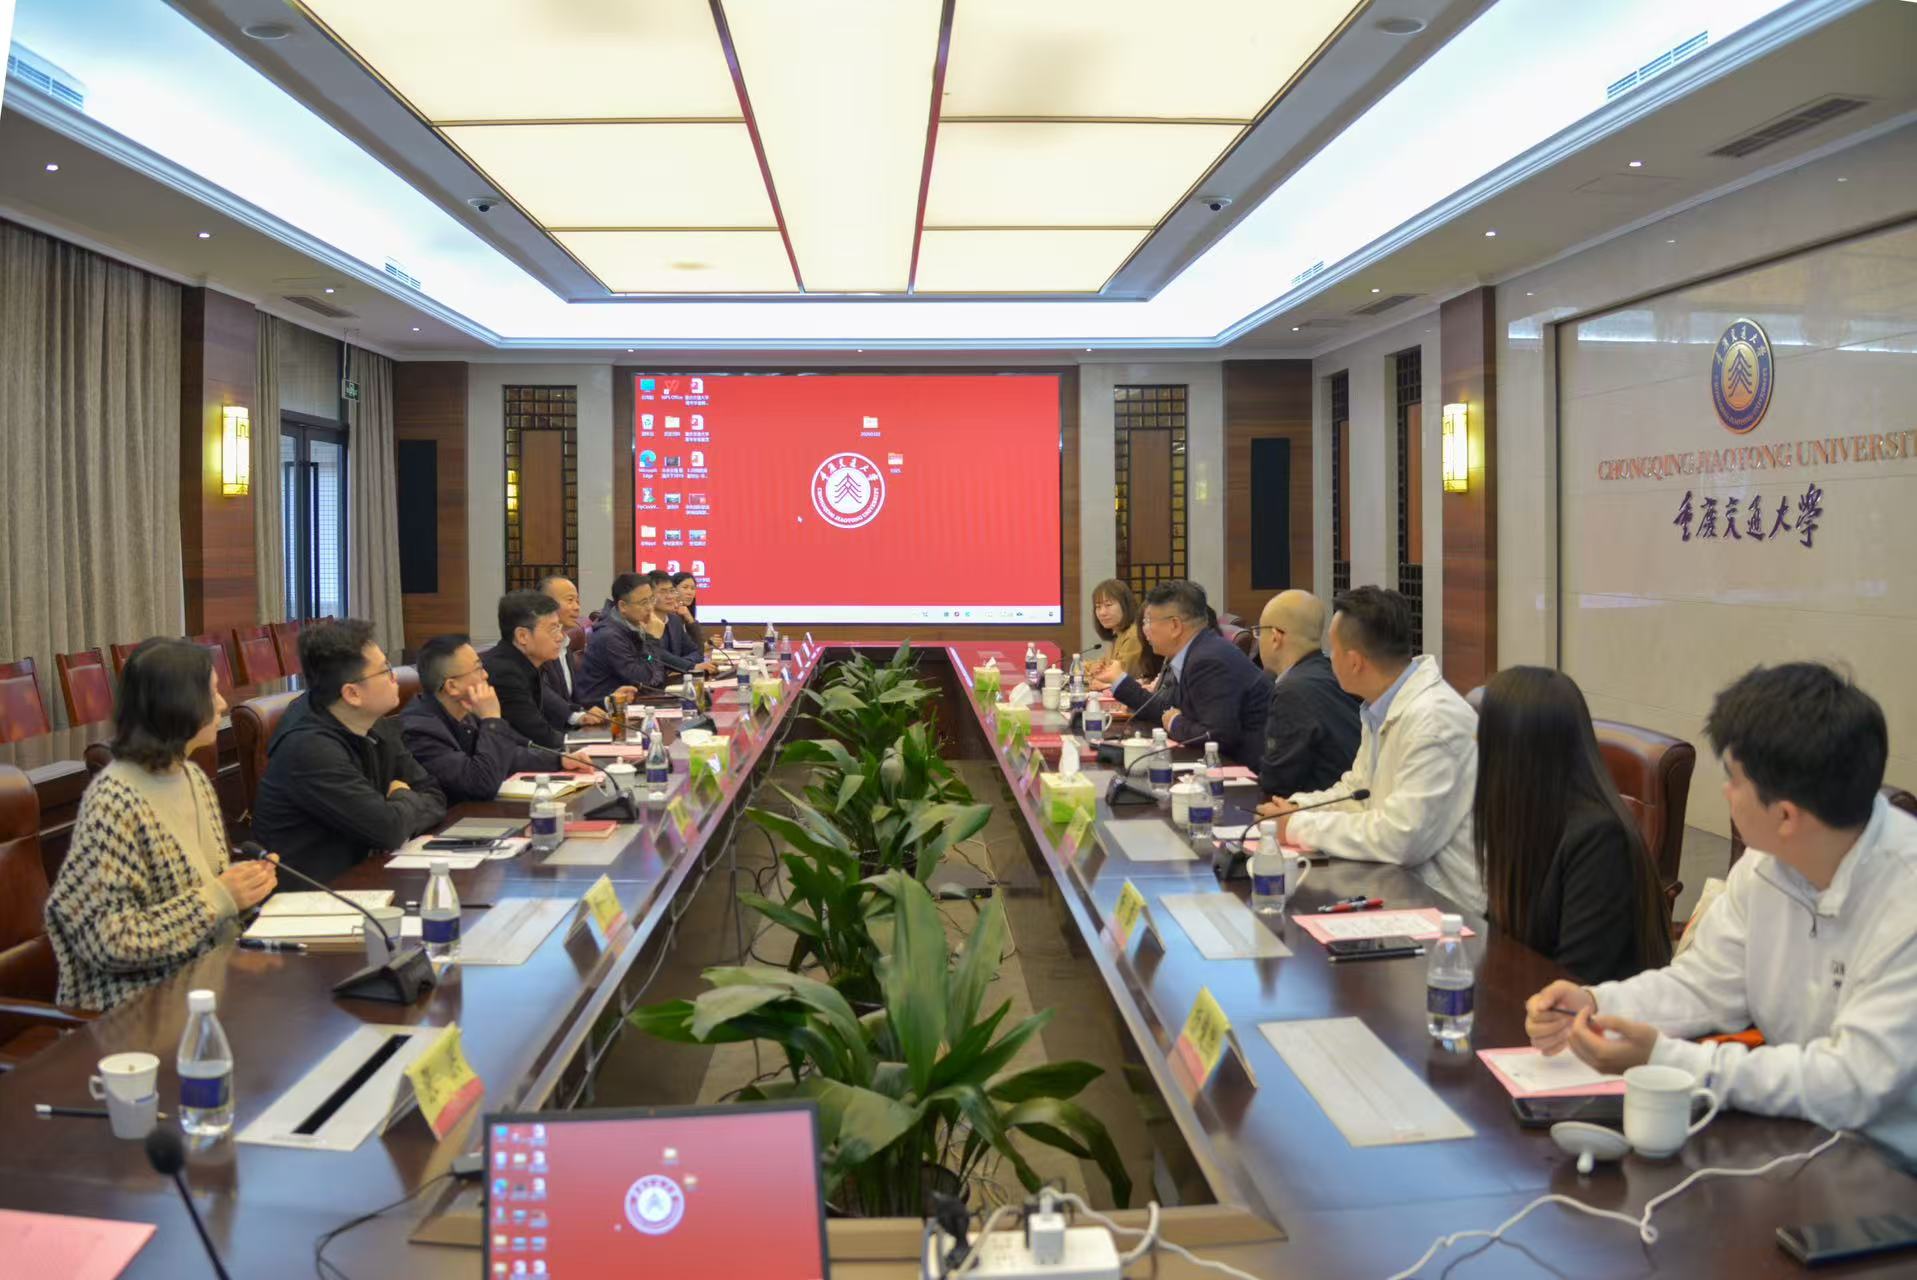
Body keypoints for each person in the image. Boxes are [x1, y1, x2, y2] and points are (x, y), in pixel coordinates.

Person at [1525, 664, 1917, 1153]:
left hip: (1889, 1163)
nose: (1725, 793)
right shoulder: (1767, 863)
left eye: (1733, 779)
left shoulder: (1904, 901)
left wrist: (1667, 1059)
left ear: (1786, 815)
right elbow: (1704, 985)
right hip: (1797, 1133)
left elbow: (1849, 1083)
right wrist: (1597, 1004)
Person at [44, 639, 278, 1011]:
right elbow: (109, 941)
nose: (222, 704)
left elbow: (210, 891)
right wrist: (221, 897)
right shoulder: (114, 801)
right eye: (212, 693)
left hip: (208, 979)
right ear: (177, 706)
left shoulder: (192, 777)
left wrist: (248, 886)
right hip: (139, 1007)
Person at [1258, 586, 1483, 913]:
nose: (1328, 659)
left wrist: (1296, 825)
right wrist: (1297, 807)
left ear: (1353, 662)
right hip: (1393, 883)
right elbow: (1357, 792)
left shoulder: (1434, 722)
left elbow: (1401, 838)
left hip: (1443, 906)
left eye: (1333, 651)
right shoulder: (1380, 706)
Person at [1476, 667, 1670, 984]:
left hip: (1594, 1009)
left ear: (1511, 751)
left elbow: (1576, 979)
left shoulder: (1601, 840)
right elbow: (1502, 942)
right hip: (1532, 1000)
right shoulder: (1523, 820)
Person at [252, 619, 446, 885]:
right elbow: (388, 829)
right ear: (352, 694)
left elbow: (434, 795)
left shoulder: (373, 722)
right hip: (315, 896)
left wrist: (398, 807)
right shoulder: (308, 750)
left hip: (367, 879)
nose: (394, 678)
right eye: (385, 671)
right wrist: (403, 795)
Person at [1092, 580, 1268, 766]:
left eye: (1149, 621)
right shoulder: (1193, 652)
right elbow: (1164, 709)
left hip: (1244, 773)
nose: (1145, 630)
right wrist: (1119, 681)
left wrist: (1175, 722)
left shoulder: (1208, 660)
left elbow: (1216, 737)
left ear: (1175, 626)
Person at [401, 635, 594, 804]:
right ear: (452, 686)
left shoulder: (466, 710)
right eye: (478, 669)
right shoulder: (421, 730)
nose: (486, 675)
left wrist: (559, 760)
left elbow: (509, 754)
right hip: (454, 823)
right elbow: (480, 784)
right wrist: (491, 719)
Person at [1254, 590, 1361, 800]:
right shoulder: (1329, 671)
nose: (1258, 640)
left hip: (1320, 808)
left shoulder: (1292, 691)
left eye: (1259, 632)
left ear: (1275, 637)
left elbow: (1277, 781)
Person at [484, 590, 607, 749]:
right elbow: (538, 735)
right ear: (522, 636)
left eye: (559, 628)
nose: (560, 637)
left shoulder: (525, 662)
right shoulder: (504, 673)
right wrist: (588, 746)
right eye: (553, 629)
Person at [580, 574, 671, 703]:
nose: (650, 608)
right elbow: (643, 679)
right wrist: (652, 640)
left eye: (651, 600)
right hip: (603, 708)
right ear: (623, 606)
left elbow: (652, 664)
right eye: (644, 602)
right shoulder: (610, 637)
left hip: (634, 701)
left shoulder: (635, 626)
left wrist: (650, 650)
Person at [643, 570, 714, 676]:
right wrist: (688, 666)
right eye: (663, 592)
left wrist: (678, 666)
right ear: (649, 596)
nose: (670, 596)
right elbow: (653, 655)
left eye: (672, 591)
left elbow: (697, 652)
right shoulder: (643, 623)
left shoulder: (674, 620)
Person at [1087, 578, 1157, 686]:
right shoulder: (1118, 634)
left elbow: (1118, 677)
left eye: (1108, 605)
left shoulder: (1134, 635)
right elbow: (1103, 666)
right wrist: (1093, 668)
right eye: (1098, 607)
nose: (1102, 612)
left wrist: (1094, 676)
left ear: (1125, 605)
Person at [669, 570, 708, 651]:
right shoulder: (667, 615)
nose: (690, 592)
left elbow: (698, 648)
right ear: (673, 590)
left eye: (693, 588)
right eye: (685, 587)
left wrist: (690, 619)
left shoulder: (685, 614)